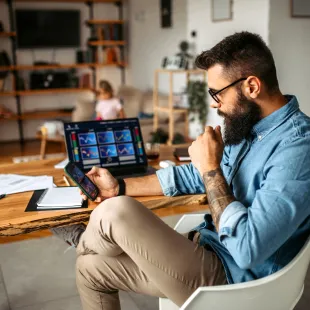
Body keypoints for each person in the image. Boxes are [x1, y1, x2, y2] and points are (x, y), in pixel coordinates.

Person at [52, 32, 310, 310]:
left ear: (251, 86)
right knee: (89, 268)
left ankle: (86, 239)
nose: (214, 103)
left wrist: (210, 167)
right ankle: (90, 243)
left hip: (235, 278)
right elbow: (192, 176)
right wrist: (119, 187)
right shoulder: (249, 128)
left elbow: (247, 249)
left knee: (114, 212)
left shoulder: (297, 149)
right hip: (206, 248)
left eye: (217, 93)